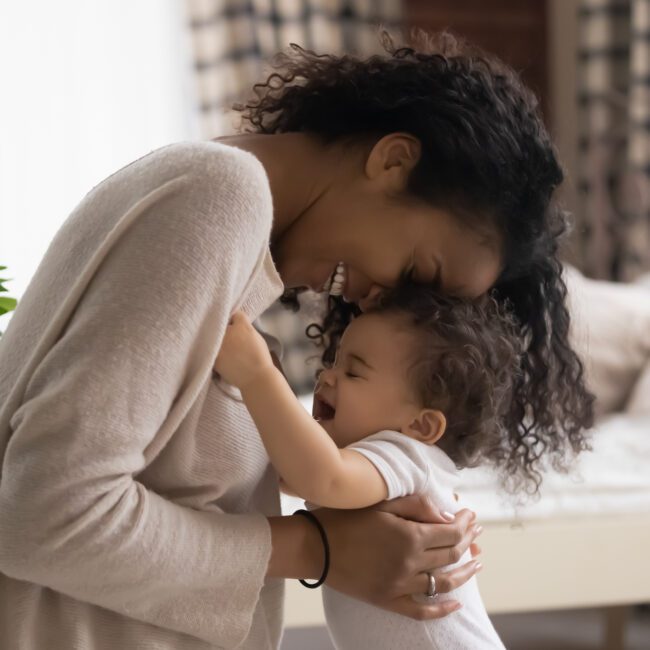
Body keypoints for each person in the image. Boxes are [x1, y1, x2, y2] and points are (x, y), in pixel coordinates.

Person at [0, 29, 593, 650]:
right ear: (392, 161)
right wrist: (319, 549)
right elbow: (47, 517)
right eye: (418, 274)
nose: (380, 298)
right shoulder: (219, 197)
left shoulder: (217, 217)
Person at [214, 283, 530, 649]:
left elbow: (321, 478)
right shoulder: (373, 465)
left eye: (353, 372)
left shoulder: (406, 454)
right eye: (333, 361)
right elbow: (289, 470)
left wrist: (257, 376)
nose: (326, 376)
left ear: (421, 426)